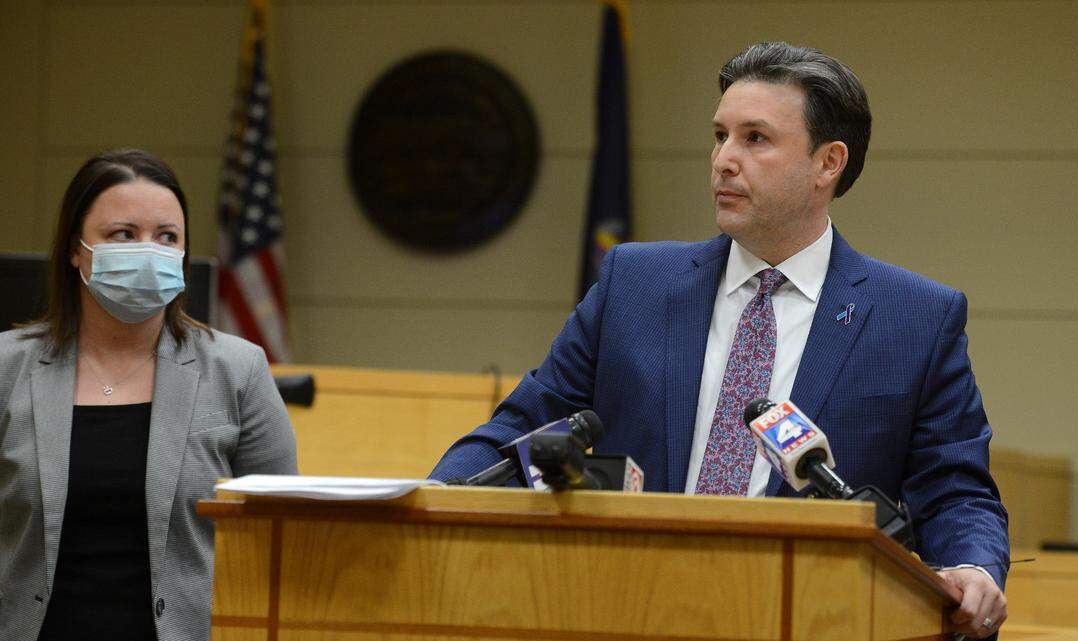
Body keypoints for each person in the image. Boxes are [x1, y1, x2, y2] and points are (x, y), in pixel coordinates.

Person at [430, 42, 1009, 639]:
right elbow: (523, 430)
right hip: (622, 609)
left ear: (828, 163)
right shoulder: (636, 284)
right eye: (719, 135)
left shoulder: (914, 316)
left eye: (755, 138)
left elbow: (954, 490)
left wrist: (971, 566)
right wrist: (430, 498)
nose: (723, 160)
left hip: (809, 618)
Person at [0, 149, 298, 640]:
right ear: (76, 248)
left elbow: (283, 536)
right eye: (123, 234)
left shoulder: (237, 370)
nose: (148, 251)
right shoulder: (9, 367)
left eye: (167, 237)